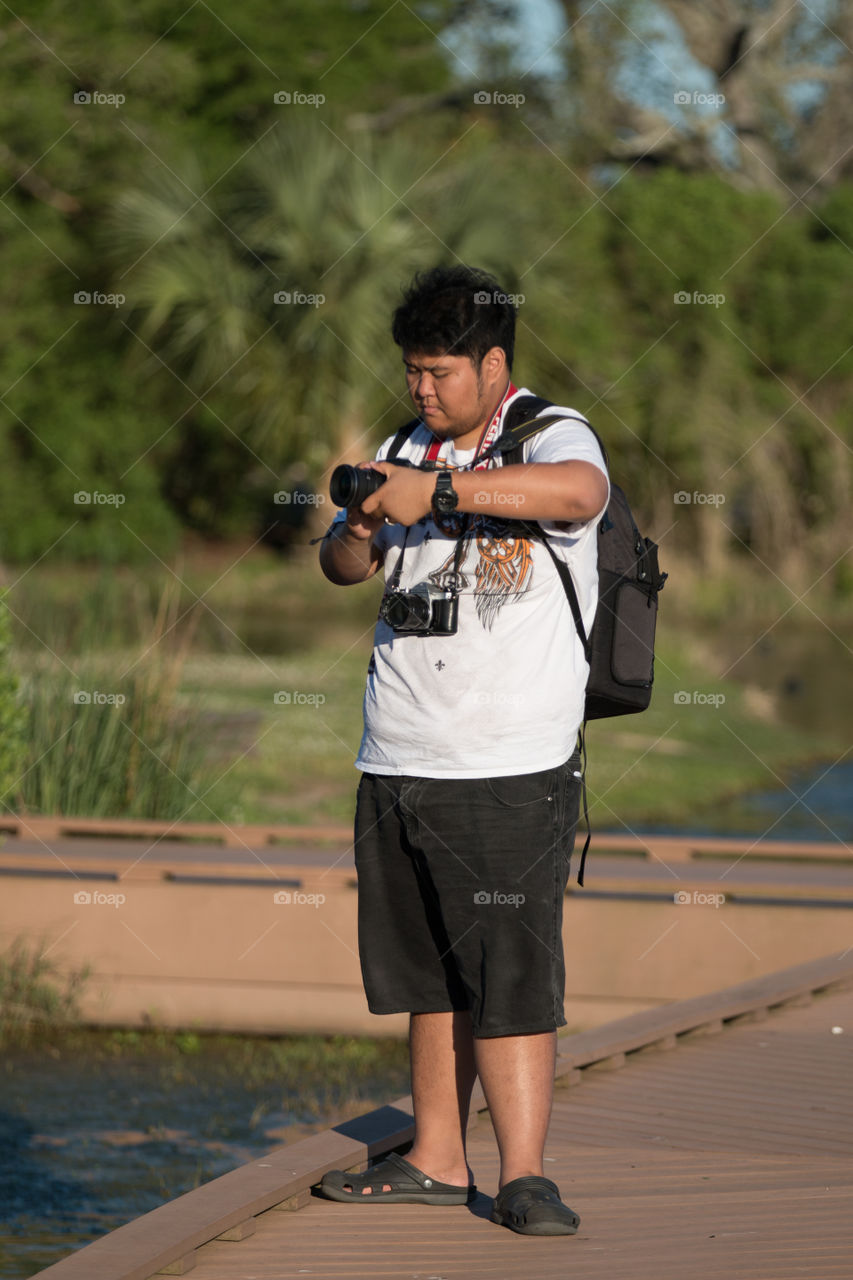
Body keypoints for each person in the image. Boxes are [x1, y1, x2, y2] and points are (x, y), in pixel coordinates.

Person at [317, 264, 609, 1236]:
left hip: (510, 760)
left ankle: (524, 1173)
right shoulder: (404, 443)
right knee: (426, 972)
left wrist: (437, 486)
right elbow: (341, 566)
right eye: (412, 370)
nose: (423, 390)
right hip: (400, 752)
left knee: (511, 972)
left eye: (440, 372)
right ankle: (437, 1156)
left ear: (492, 362)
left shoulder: (547, 432)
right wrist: (363, 520)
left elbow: (578, 493)